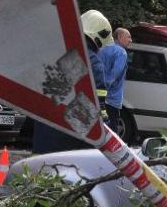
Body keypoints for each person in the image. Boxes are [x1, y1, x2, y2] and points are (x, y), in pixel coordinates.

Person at [32, 10, 112, 154]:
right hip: (72, 147)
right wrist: (108, 133)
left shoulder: (55, 53)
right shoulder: (93, 62)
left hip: (42, 140)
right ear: (98, 38)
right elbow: (97, 109)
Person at [99, 27, 132, 135]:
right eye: (128, 37)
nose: (130, 40)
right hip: (112, 99)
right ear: (120, 37)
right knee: (112, 132)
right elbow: (114, 75)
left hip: (99, 98)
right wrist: (106, 88)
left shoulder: (102, 49)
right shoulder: (121, 53)